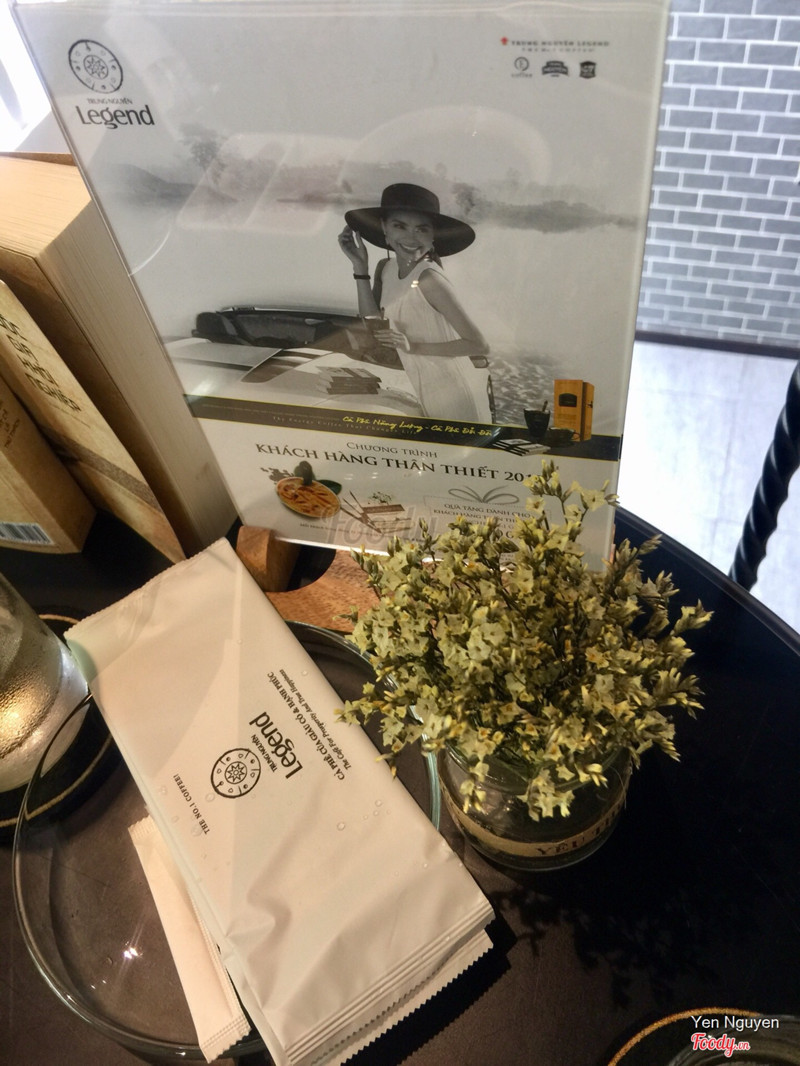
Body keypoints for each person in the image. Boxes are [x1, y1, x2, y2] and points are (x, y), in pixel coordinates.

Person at [338, 183, 493, 422]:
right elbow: (373, 324)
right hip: (425, 389)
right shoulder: (386, 268)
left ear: (433, 236)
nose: (411, 238)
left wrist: (413, 347)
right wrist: (360, 268)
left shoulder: (429, 279)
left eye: (421, 229)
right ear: (384, 228)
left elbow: (479, 345)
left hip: (456, 396)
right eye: (399, 226)